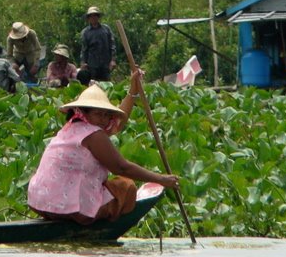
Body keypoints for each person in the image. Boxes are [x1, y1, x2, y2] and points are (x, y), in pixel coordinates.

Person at [27, 70, 179, 225]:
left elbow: (118, 124)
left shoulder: (70, 128)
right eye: (98, 114)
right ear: (84, 112)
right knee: (126, 186)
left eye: (106, 115)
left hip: (41, 203)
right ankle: (98, 220)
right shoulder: (93, 134)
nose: (103, 119)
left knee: (108, 184)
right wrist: (161, 179)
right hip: (72, 210)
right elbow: (121, 168)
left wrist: (133, 90)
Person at [78, 6, 116, 85]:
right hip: (92, 65)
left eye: (95, 15)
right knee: (93, 85)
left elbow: (112, 45)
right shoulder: (86, 32)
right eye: (91, 16)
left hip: (105, 63)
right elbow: (84, 49)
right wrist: (83, 62)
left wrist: (113, 60)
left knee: (106, 85)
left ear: (98, 17)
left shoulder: (106, 29)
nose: (93, 18)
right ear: (88, 18)